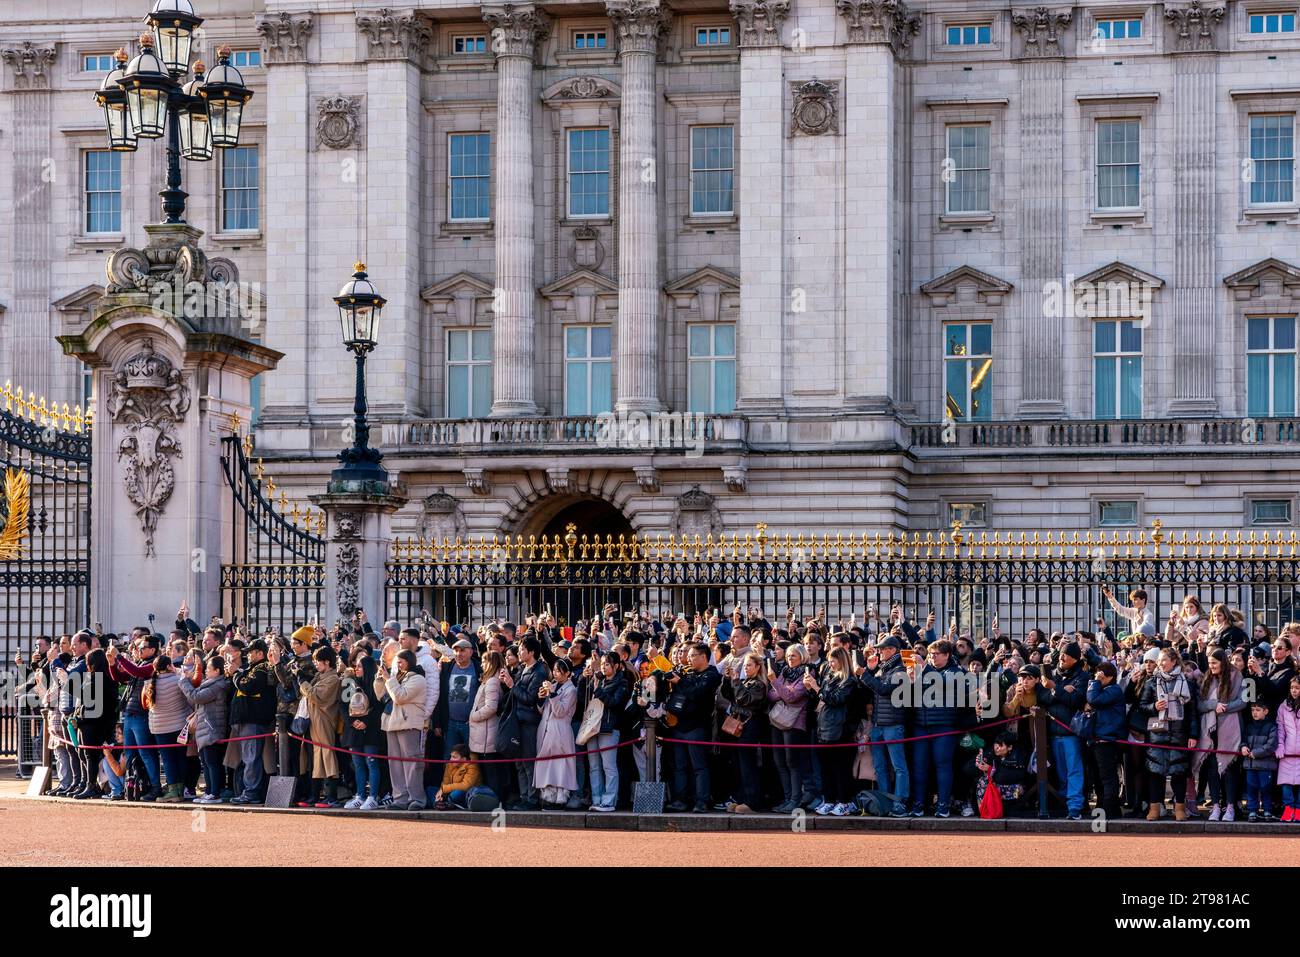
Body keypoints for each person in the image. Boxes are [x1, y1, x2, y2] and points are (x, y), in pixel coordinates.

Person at [1137, 647, 1198, 821]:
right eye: (1160, 660)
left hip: (1180, 734)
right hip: (1157, 733)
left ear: (1174, 661)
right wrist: (1153, 707)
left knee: (1179, 772)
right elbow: (1142, 706)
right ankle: (1155, 807)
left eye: (1164, 660)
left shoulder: (1188, 683)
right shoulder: (1151, 682)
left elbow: (1193, 713)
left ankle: (1179, 807)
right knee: (1155, 773)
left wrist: (1193, 735)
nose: (1161, 663)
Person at [664, 642, 723, 813]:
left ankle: (702, 801)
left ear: (703, 657)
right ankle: (680, 799)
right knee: (680, 766)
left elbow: (697, 693)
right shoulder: (688, 674)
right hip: (679, 726)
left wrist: (680, 681)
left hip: (697, 727)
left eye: (692, 656)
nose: (688, 659)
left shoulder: (711, 675)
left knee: (699, 766)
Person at [910, 639, 965, 818]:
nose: (932, 657)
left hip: (944, 726)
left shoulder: (955, 671)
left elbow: (941, 681)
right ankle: (919, 803)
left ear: (947, 655)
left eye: (936, 654)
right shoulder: (924, 671)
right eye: (931, 654)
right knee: (919, 767)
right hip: (921, 725)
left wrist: (924, 667)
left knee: (943, 766)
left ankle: (943, 804)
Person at [856, 634, 910, 817]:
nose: (879, 652)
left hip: (893, 724)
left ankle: (899, 803)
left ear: (892, 650)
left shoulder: (900, 669)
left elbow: (885, 690)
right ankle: (884, 800)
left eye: (883, 649)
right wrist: (870, 672)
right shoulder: (883, 668)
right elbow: (873, 688)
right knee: (879, 766)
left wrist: (865, 675)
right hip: (879, 724)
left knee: (898, 766)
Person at [1037, 641, 1088, 820]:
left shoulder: (1082, 677)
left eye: (1065, 655)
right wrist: (1059, 691)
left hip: (1071, 733)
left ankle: (1074, 807)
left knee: (1074, 770)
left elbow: (1076, 700)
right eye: (1061, 654)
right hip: (1054, 732)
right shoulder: (1054, 674)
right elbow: (1042, 697)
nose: (1061, 658)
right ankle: (1065, 803)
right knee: (1061, 772)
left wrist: (1055, 689)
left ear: (1075, 659)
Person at [375, 649, 429, 811]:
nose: (397, 665)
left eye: (400, 661)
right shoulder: (396, 678)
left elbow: (400, 696)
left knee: (412, 763)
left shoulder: (418, 678)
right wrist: (380, 680)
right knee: (395, 764)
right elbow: (381, 696)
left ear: (409, 661)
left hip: (409, 724)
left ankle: (417, 799)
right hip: (393, 724)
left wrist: (388, 679)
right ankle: (400, 798)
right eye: (396, 662)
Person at [1196, 649, 1246, 822]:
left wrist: (1224, 707)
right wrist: (1214, 705)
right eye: (1210, 663)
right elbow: (1200, 704)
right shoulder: (1206, 678)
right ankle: (1216, 806)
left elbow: (1244, 701)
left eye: (1215, 663)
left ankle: (1230, 806)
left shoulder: (1237, 676)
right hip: (1209, 729)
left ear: (1223, 662)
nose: (1212, 666)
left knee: (1230, 768)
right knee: (1212, 769)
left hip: (1231, 728)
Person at [807, 647, 858, 816]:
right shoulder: (829, 678)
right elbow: (821, 701)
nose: (830, 663)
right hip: (824, 728)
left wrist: (816, 687)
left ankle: (844, 801)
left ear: (842, 661)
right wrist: (812, 688)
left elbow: (835, 699)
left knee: (841, 769)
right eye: (829, 660)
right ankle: (829, 800)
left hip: (840, 731)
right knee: (825, 769)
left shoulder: (849, 681)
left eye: (833, 660)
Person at [176, 651, 231, 804]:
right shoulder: (210, 683)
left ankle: (215, 792)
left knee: (212, 763)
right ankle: (209, 791)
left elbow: (196, 697)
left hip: (211, 727)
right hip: (205, 727)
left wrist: (184, 681)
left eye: (209, 668)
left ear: (217, 671)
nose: (206, 670)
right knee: (206, 763)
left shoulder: (218, 685)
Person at [765, 643, 812, 814]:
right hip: (777, 721)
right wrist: (782, 689)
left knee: (793, 763)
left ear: (802, 656)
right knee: (780, 762)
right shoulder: (785, 672)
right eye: (788, 655)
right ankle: (787, 799)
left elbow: (792, 696)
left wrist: (776, 684)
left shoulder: (807, 672)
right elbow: (772, 695)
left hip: (795, 724)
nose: (789, 658)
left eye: (793, 655)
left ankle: (795, 800)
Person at [503, 635, 549, 810]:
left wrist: (511, 685)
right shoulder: (523, 668)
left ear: (531, 652)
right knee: (519, 762)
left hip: (529, 722)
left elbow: (530, 698)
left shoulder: (539, 672)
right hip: (518, 720)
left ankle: (532, 798)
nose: (519, 652)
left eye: (522, 649)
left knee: (528, 762)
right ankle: (524, 796)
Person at [228, 637, 276, 806]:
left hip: (253, 720)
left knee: (251, 758)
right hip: (247, 720)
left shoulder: (262, 669)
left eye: (251, 652)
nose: (248, 655)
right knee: (249, 758)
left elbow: (248, 687)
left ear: (260, 653)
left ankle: (251, 792)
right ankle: (249, 790)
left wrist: (236, 673)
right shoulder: (253, 668)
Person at [719, 651, 768, 813]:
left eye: (749, 665)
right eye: (745, 665)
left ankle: (752, 801)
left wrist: (735, 681)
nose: (745, 668)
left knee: (748, 766)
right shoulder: (745, 681)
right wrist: (727, 680)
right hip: (738, 728)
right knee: (738, 765)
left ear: (758, 667)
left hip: (751, 728)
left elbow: (743, 699)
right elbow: (728, 695)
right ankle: (741, 798)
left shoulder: (759, 685)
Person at [296, 645, 342, 809]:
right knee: (313, 760)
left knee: (327, 757)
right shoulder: (319, 676)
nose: (315, 664)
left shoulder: (333, 679)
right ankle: (314, 795)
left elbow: (316, 696)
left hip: (324, 722)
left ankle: (331, 796)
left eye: (317, 661)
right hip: (312, 723)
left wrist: (303, 681)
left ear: (327, 662)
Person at [73, 645, 119, 799]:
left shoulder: (99, 678)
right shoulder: (101, 677)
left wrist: (79, 718)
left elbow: (90, 702)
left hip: (94, 724)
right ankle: (91, 783)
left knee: (90, 755)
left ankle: (92, 785)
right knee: (86, 754)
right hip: (92, 722)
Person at [587, 652, 631, 812]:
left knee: (609, 766)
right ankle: (596, 799)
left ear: (617, 666)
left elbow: (615, 703)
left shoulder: (623, 683)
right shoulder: (599, 680)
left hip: (609, 727)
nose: (604, 667)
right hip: (592, 728)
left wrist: (598, 690)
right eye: (603, 664)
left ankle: (609, 800)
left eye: (607, 664)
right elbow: (583, 699)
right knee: (594, 766)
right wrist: (589, 680)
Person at [534, 658, 579, 807]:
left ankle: (561, 797)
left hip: (561, 729)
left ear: (567, 673)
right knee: (547, 764)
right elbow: (543, 710)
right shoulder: (552, 686)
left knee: (562, 764)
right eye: (554, 670)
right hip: (546, 728)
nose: (555, 674)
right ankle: (548, 796)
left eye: (559, 671)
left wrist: (552, 694)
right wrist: (540, 699)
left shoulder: (571, 690)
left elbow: (560, 711)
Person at [343, 651, 384, 810]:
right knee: (358, 763)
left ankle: (373, 796)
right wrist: (353, 722)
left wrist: (366, 722)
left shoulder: (376, 683)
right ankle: (360, 795)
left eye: (360, 666)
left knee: (371, 762)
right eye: (356, 666)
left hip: (371, 730)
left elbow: (379, 706)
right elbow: (343, 705)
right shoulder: (350, 682)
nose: (356, 668)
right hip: (354, 730)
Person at [148, 652, 191, 803]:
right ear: (168, 666)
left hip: (160, 728)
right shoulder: (178, 680)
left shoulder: (150, 683)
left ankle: (173, 790)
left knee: (168, 760)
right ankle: (182, 790)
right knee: (181, 758)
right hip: (179, 725)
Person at [1086, 661, 1126, 820]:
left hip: (1107, 740)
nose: (1098, 679)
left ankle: (1109, 810)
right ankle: (1103, 807)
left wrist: (1094, 681)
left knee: (1107, 777)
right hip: (1098, 739)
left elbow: (1093, 699)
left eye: (1101, 676)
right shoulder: (1106, 690)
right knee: (1098, 777)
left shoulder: (1114, 690)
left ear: (1110, 677)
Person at [468, 650, 504, 804]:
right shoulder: (490, 680)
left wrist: (473, 716)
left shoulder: (492, 681)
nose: (482, 664)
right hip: (483, 731)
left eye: (484, 661)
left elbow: (491, 707)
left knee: (491, 771)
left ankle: (494, 799)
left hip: (486, 732)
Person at [435, 637, 479, 759]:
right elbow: (439, 696)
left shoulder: (478, 668)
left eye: (462, 650)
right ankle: (448, 779)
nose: (459, 654)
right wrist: (437, 722)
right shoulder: (446, 668)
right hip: (450, 723)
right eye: (456, 650)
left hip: (470, 723)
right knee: (448, 757)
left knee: (471, 758)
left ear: (470, 652)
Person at [1241, 701, 1278, 822]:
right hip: (1250, 765)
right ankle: (1252, 810)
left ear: (1265, 711)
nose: (1254, 713)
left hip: (1265, 765)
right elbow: (1243, 740)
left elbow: (1271, 745)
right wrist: (1243, 747)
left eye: (1257, 710)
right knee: (1251, 788)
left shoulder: (1272, 726)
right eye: (1252, 710)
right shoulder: (1249, 726)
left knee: (1266, 788)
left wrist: (1255, 753)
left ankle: (1267, 809)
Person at [1275, 677, 1300, 821]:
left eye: (1297, 688)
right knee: (1286, 785)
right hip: (1287, 753)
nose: (1294, 691)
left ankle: (1298, 810)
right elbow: (1280, 728)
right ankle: (1288, 809)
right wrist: (1280, 745)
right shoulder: (1284, 706)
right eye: (1292, 688)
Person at [433, 744, 482, 809]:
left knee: (456, 794)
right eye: (451, 756)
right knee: (430, 790)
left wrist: (444, 789)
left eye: (454, 757)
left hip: (465, 793)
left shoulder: (472, 766)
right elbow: (445, 782)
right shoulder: (450, 765)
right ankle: (442, 802)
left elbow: (465, 786)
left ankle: (442, 803)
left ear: (464, 759)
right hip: (449, 792)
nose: (451, 759)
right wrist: (441, 794)